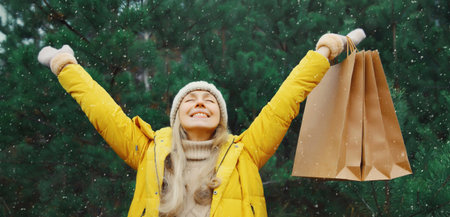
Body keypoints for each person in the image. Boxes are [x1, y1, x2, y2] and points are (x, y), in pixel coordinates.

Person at [37, 29, 365, 217]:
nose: (200, 103)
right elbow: (102, 111)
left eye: (209, 100)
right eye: (190, 100)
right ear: (177, 115)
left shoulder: (246, 152)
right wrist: (65, 65)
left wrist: (325, 51)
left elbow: (286, 100)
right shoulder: (147, 150)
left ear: (220, 117)